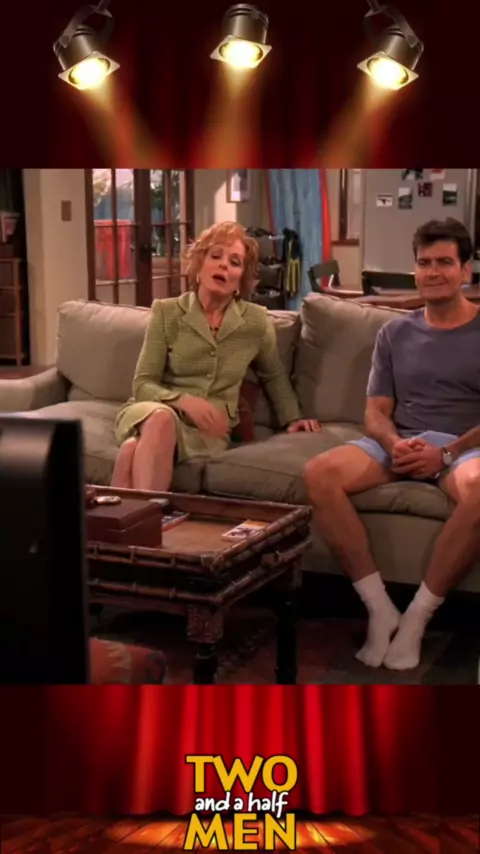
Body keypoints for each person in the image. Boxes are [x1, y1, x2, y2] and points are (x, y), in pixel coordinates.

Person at [304, 218, 480, 671]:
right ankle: (380, 608)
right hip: (402, 441)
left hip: (465, 449)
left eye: (445, 262)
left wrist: (446, 453)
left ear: (466, 270)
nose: (433, 272)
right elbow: (375, 412)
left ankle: (418, 617)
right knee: (320, 474)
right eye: (425, 263)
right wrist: (395, 443)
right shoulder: (394, 333)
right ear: (415, 270)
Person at [112, 221, 320, 491]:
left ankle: (127, 515)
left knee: (131, 450)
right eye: (215, 256)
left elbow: (274, 376)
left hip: (208, 428)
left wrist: (293, 418)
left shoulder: (255, 322)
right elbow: (142, 384)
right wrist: (184, 402)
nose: (224, 265)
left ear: (240, 280)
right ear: (199, 265)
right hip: (152, 411)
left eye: (235, 262)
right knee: (160, 420)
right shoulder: (167, 312)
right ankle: (153, 514)